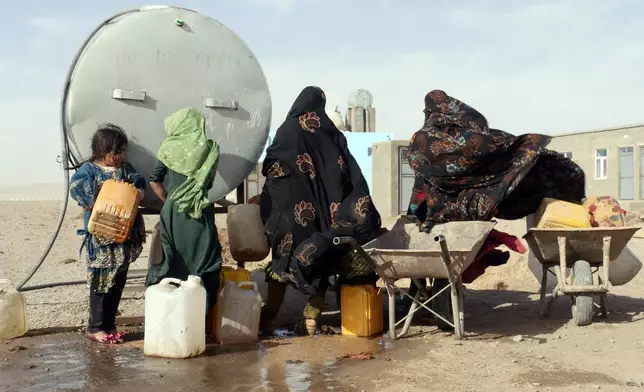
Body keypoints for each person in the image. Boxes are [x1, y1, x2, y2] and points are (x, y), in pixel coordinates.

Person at [403, 90, 585, 322]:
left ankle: (422, 302)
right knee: (452, 258)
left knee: (437, 257)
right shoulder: (476, 134)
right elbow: (502, 148)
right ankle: (438, 301)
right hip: (473, 208)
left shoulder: (422, 139)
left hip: (438, 211)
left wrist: (412, 215)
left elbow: (421, 178)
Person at [257, 86, 382, 335]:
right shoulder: (332, 135)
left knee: (281, 263)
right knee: (319, 257)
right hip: (324, 223)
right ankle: (312, 318)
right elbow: (349, 177)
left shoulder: (287, 131)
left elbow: (272, 169)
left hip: (289, 220)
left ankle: (265, 318)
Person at [406, 89, 585, 226]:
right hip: (480, 199)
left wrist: (412, 216)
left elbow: (419, 183)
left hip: (443, 209)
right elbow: (489, 142)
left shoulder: (421, 139)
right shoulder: (473, 130)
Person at [70, 124, 146, 344]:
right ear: (103, 152)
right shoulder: (89, 170)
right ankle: (95, 327)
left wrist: (139, 190)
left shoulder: (126, 169)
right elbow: (78, 189)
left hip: (123, 236)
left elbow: (138, 181)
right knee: (100, 280)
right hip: (102, 237)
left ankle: (110, 325)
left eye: (123, 152)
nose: (121, 156)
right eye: (117, 152)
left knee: (117, 280)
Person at [146, 108, 223, 315]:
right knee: (204, 261)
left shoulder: (167, 149)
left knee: (172, 262)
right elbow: (208, 182)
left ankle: (171, 314)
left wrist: (169, 200)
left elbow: (155, 180)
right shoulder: (210, 148)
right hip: (200, 212)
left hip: (173, 214)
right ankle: (203, 317)